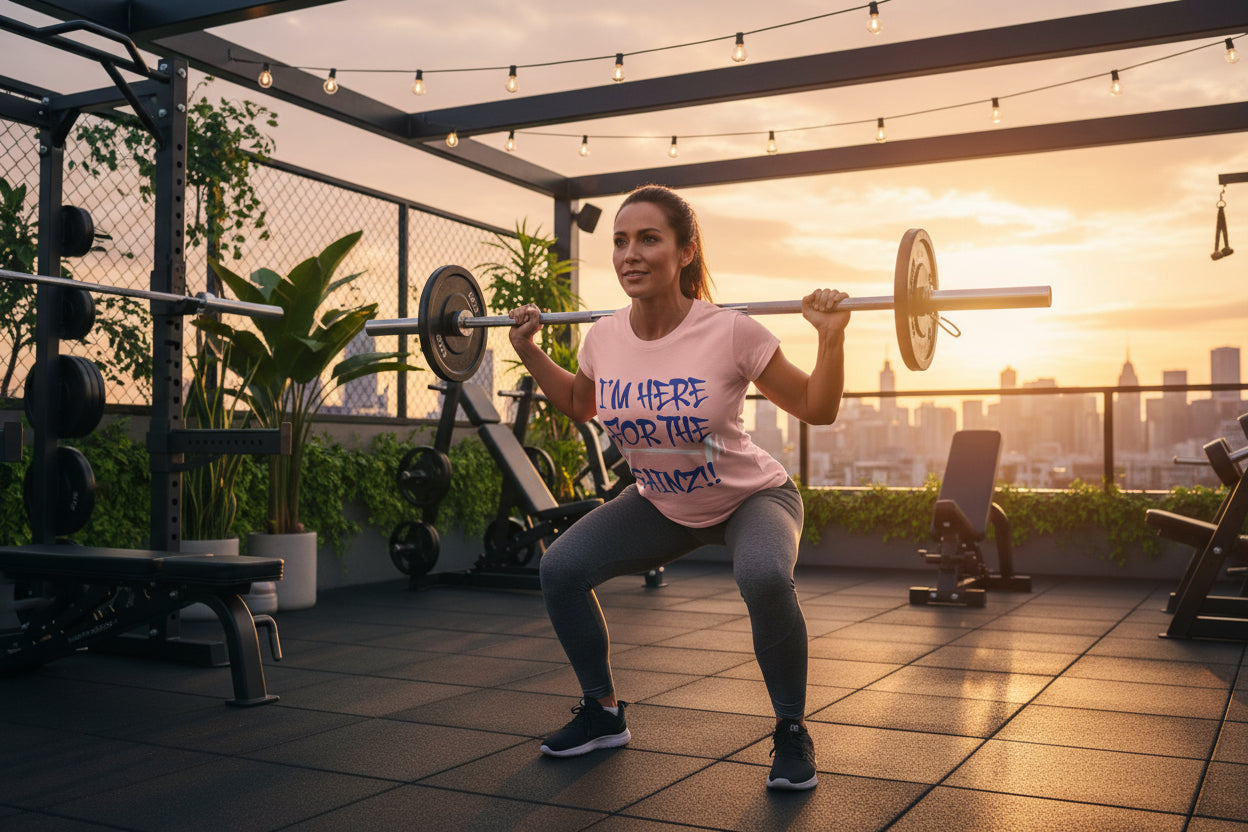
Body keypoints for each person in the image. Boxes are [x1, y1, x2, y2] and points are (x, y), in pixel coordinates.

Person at [507, 184, 849, 791]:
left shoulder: (731, 331)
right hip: (661, 501)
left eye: (648, 239)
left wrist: (830, 337)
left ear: (686, 251)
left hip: (752, 498)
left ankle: (792, 729)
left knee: (766, 578)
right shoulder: (604, 337)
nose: (629, 255)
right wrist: (529, 350)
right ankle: (602, 712)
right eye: (619, 241)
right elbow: (580, 405)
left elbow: (815, 409)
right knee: (560, 569)